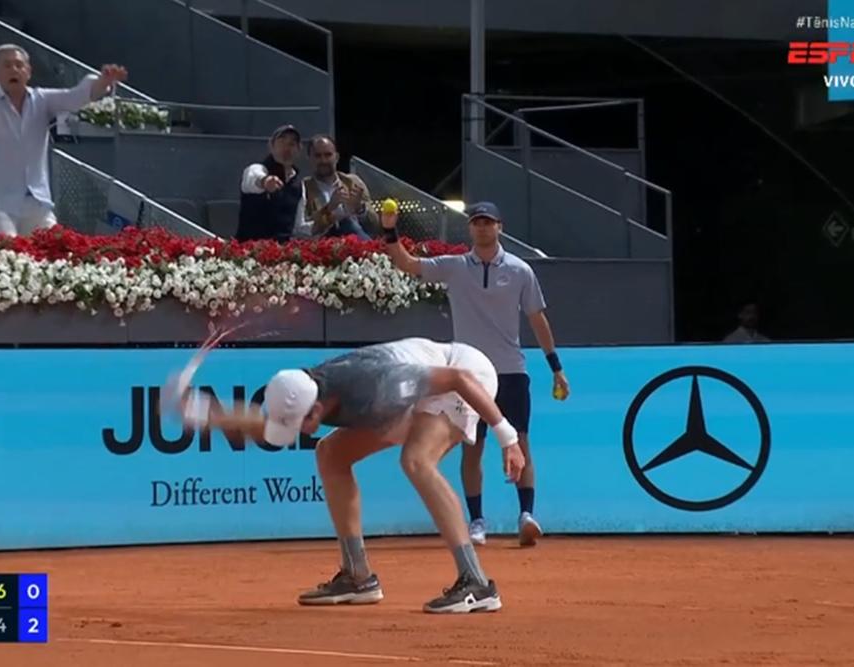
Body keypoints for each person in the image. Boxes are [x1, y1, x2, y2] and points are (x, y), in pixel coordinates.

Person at [181, 336, 526, 614]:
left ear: (316, 409)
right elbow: (264, 427)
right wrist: (205, 413)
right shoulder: (305, 390)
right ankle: (357, 576)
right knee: (330, 453)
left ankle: (476, 582)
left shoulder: (381, 385)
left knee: (417, 460)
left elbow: (459, 379)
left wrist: (507, 439)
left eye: (300, 423)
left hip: (464, 372)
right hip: (403, 399)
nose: (298, 430)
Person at [382, 202, 569, 547]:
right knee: (473, 448)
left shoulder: (520, 270)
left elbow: (537, 319)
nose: (482, 227)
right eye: (477, 222)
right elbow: (407, 264)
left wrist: (555, 366)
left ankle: (526, 515)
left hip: (511, 371)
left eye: (488, 222)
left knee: (520, 442)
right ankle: (477, 521)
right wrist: (389, 229)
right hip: (468, 376)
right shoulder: (453, 267)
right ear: (470, 228)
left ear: (500, 226)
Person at [0, 39, 127, 237]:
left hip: (36, 201)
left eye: (19, 65)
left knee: (55, 244)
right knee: (6, 248)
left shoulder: (42, 100)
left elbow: (75, 97)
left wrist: (103, 81)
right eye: (7, 65)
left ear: (28, 71)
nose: (14, 70)